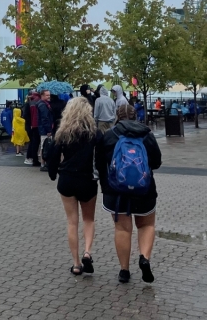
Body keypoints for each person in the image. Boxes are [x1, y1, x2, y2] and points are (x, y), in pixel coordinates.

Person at [96, 104, 162, 284]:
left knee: (122, 229)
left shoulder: (109, 136)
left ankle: (124, 270)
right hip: (145, 189)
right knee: (146, 225)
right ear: (135, 116)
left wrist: (105, 187)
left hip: (116, 192)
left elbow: (100, 164)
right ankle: (144, 258)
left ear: (117, 116)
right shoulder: (146, 135)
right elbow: (156, 162)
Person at [46, 97, 99, 277]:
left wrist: (53, 174)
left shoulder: (63, 133)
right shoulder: (94, 133)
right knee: (89, 220)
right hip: (87, 180)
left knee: (71, 222)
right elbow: (101, 157)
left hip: (67, 179)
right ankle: (87, 252)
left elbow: (52, 156)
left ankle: (76, 263)